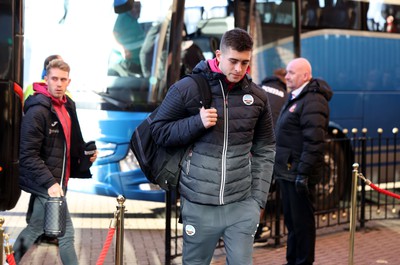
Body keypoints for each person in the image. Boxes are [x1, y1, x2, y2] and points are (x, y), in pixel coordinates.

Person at [150, 28, 276, 265]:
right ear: (218, 55)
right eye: (233, 61)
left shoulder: (257, 97)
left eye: (245, 63)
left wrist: (257, 200)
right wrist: (196, 122)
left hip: (241, 204)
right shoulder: (188, 88)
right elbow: (158, 131)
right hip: (199, 204)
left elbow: (266, 148)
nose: (239, 69)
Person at [13, 59, 97, 264]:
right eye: (54, 79)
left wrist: (87, 154)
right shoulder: (37, 110)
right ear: (46, 79)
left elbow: (72, 141)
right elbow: (27, 154)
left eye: (63, 79)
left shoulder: (68, 106)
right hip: (48, 183)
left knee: (34, 227)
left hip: (60, 180)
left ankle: (10, 261)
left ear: (69, 81)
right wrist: (50, 184)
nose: (58, 84)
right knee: (66, 234)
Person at [274, 57, 333, 265]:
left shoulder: (313, 100)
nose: (286, 76)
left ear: (305, 76)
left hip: (298, 173)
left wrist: (303, 174)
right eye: (287, 72)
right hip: (288, 172)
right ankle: (293, 261)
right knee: (292, 222)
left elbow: (314, 141)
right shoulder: (296, 96)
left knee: (302, 225)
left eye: (291, 73)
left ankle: (303, 262)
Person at [255, 67, 288, 242]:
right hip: (268, 148)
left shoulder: (259, 88)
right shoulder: (285, 97)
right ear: (284, 80)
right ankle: (255, 231)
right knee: (262, 190)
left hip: (249, 146)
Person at [110, 0, 145, 76]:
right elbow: (113, 36)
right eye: (135, 6)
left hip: (138, 64)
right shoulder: (123, 16)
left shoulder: (136, 23)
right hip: (123, 64)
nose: (138, 9)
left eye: (139, 6)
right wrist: (122, 49)